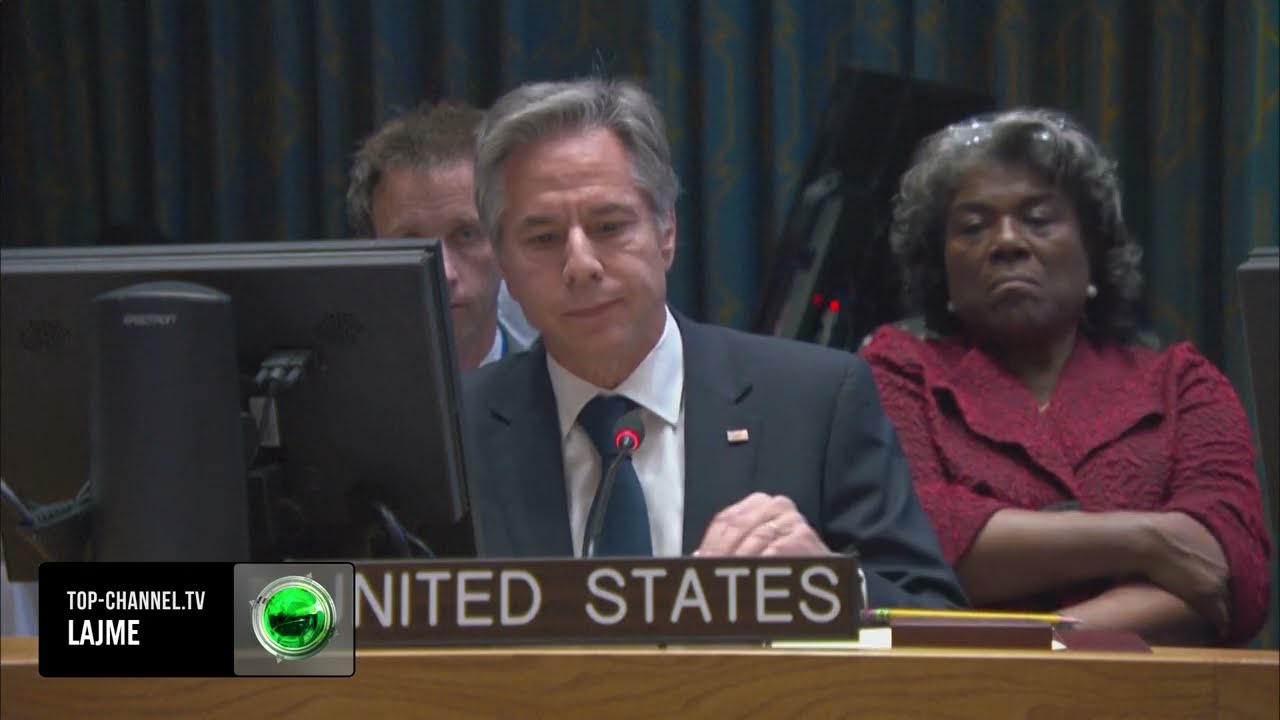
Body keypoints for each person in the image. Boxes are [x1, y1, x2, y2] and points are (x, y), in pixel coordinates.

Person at [460, 77, 965, 609]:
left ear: (666, 233)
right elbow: (390, 627)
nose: (581, 264)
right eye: (543, 238)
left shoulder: (817, 401)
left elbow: (941, 622)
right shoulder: (454, 433)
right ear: (503, 265)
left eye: (609, 226)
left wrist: (831, 584)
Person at [861, 108, 1271, 644]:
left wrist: (1044, 642)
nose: (1007, 242)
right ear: (941, 268)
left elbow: (1230, 568)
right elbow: (910, 541)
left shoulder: (1181, 383)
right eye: (974, 226)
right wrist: (1148, 539)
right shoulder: (897, 372)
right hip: (954, 685)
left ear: (1092, 252)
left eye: (1038, 219)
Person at [347, 100, 537, 370]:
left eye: (466, 235)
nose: (443, 273)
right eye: (410, 244)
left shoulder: (568, 386)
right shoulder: (328, 390)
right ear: (368, 255)